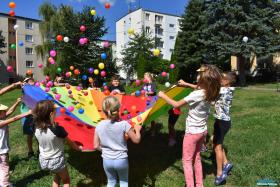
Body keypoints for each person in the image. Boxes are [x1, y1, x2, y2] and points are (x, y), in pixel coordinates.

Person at [158, 65, 222, 187]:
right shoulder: (210, 91)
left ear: (204, 79)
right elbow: (196, 87)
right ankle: (199, 184)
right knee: (197, 158)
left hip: (192, 133)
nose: (197, 75)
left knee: (187, 161)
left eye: (200, 74)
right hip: (202, 131)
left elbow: (176, 104)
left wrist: (163, 96)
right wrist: (186, 84)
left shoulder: (196, 94)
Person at [94, 96, 142, 187]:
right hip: (121, 160)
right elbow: (136, 140)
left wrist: (105, 151)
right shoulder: (124, 124)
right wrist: (138, 130)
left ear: (104, 111)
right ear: (118, 110)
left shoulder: (99, 125)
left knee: (111, 182)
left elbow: (96, 146)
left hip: (106, 160)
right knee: (124, 182)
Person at [32, 100, 82, 187]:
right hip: (56, 160)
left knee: (57, 175)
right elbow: (69, 142)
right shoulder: (57, 129)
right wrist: (77, 148)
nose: (57, 113)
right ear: (51, 114)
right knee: (66, 180)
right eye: (56, 111)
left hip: (43, 160)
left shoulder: (35, 127)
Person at [0, 98, 31, 187]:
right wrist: (27, 113)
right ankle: (4, 184)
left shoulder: (2, 118)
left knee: (1, 167)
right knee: (4, 167)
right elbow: (14, 118)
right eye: (3, 111)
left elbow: (10, 111)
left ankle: (2, 181)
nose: (5, 111)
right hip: (1, 151)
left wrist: (17, 102)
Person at [213, 72, 236, 186]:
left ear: (227, 82)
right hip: (221, 121)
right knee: (218, 144)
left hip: (222, 122)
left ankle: (220, 174)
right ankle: (226, 163)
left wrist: (188, 84)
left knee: (217, 148)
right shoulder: (224, 90)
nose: (220, 80)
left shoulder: (226, 90)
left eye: (222, 78)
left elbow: (209, 91)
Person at [21, 78, 36, 158]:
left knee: (38, 132)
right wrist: (24, 84)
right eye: (29, 80)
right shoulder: (24, 89)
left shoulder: (35, 89)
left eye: (32, 80)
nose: (31, 81)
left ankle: (40, 150)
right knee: (29, 133)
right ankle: (30, 151)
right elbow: (23, 87)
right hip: (27, 114)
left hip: (36, 113)